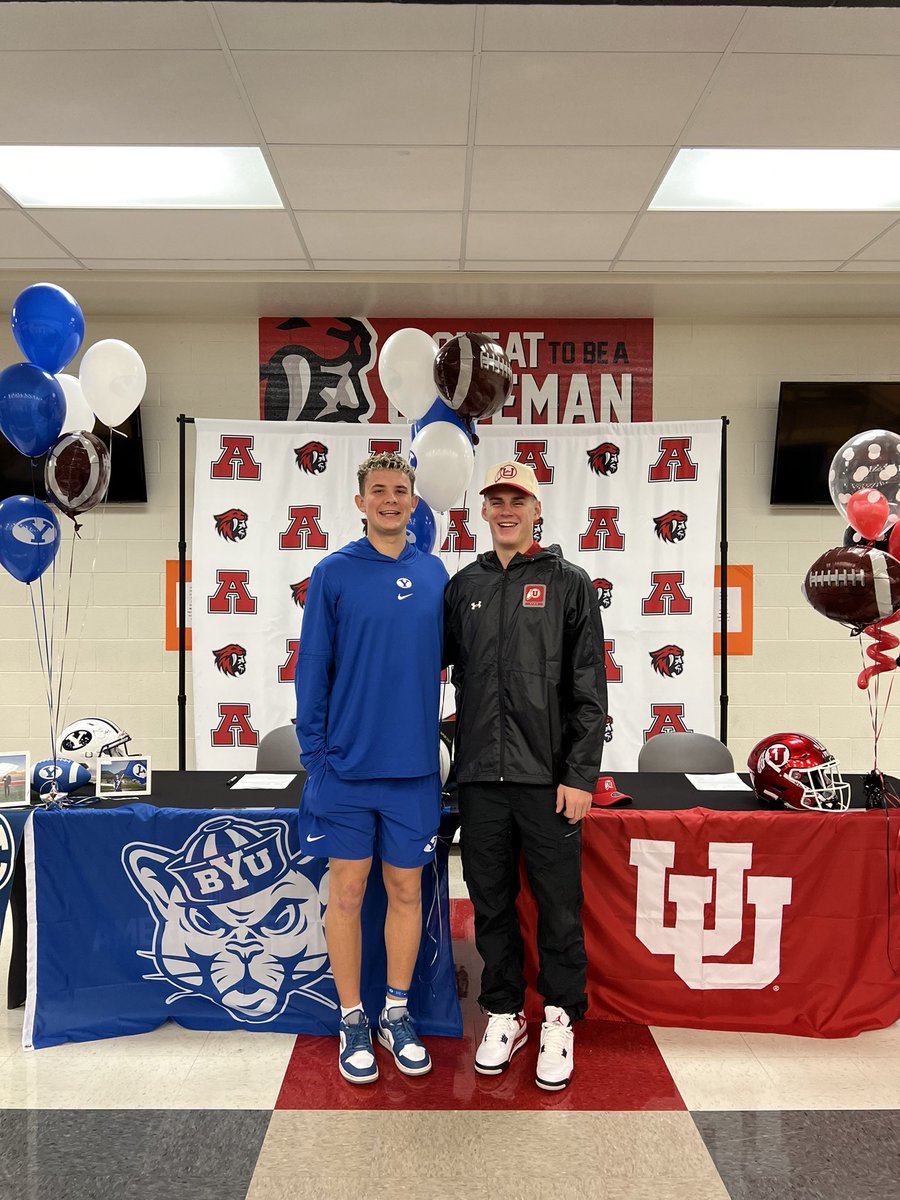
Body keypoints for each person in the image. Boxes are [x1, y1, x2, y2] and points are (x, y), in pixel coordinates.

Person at [444, 460, 607, 1091]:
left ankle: (560, 1017)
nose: (506, 509)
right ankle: (505, 1011)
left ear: (536, 510)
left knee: (560, 909)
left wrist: (580, 774)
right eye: (495, 500)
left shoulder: (570, 583)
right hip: (481, 777)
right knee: (490, 905)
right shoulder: (464, 587)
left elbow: (590, 688)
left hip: (548, 783)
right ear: (482, 512)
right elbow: (430, 670)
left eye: (518, 499)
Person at [295, 452, 448, 1085]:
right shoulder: (332, 574)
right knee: (350, 894)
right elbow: (312, 670)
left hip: (413, 771)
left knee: (408, 891)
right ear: (359, 503)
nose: (390, 499)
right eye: (378, 491)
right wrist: (315, 757)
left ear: (415, 503)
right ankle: (353, 1017)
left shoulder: (438, 575)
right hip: (348, 771)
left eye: (401, 490)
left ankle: (397, 1012)